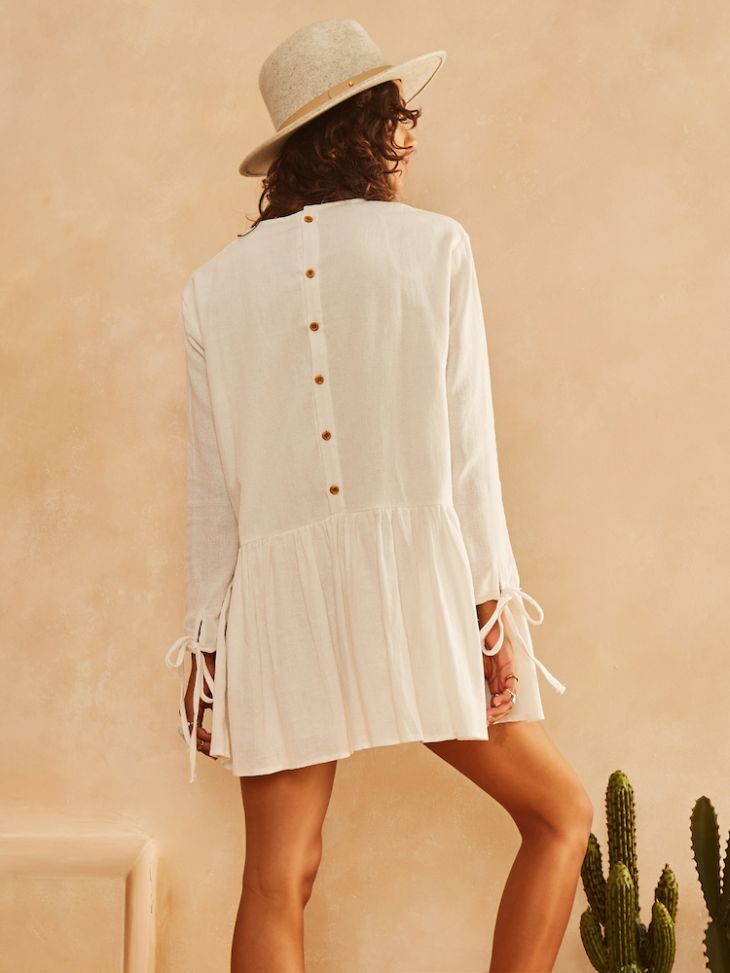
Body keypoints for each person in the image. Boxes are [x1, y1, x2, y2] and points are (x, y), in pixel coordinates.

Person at [163, 18, 593, 973]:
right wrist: (491, 611)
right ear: (369, 128)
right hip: (418, 587)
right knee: (560, 813)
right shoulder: (435, 247)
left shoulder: (212, 289)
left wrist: (207, 646)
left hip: (276, 602)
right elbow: (468, 454)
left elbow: (212, 492)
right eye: (396, 119)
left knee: (278, 877)